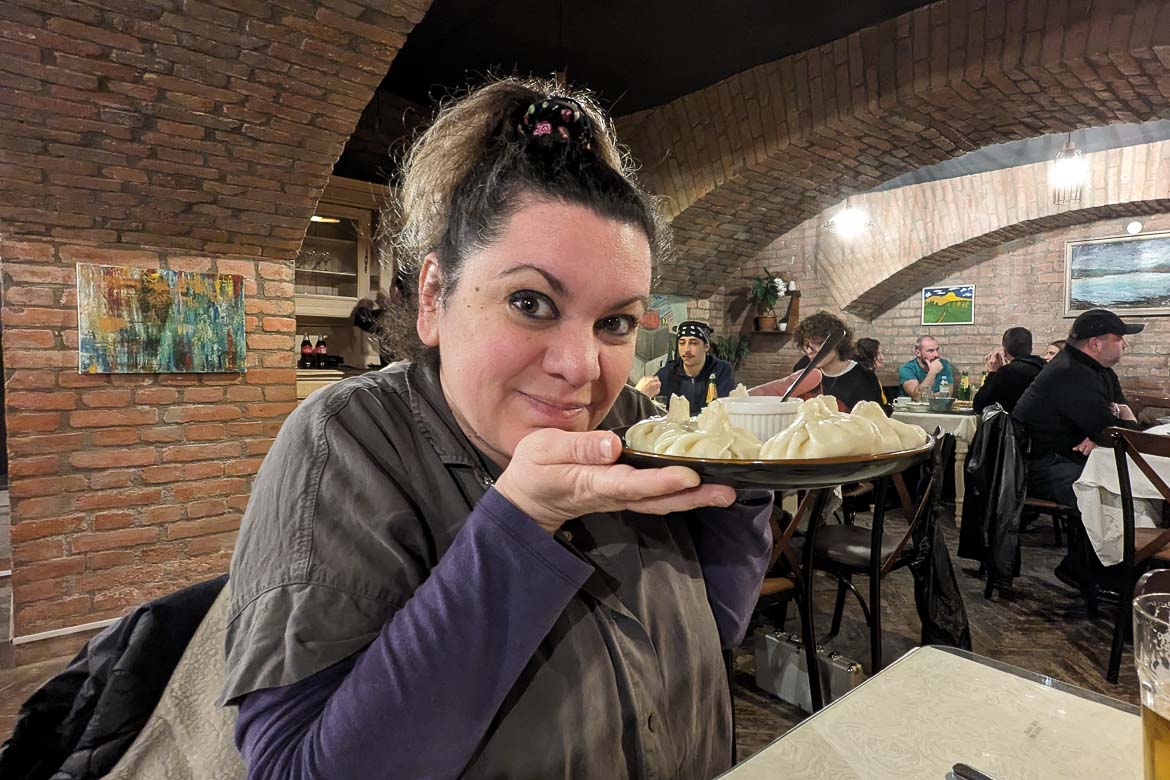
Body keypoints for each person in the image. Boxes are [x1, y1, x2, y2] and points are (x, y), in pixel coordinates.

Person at [221, 79, 772, 780]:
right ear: (432, 296)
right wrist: (524, 518)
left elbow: (712, 635)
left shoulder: (637, 426)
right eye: (529, 302)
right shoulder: (346, 445)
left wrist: (748, 484)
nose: (581, 368)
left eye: (616, 322)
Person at [1013, 309, 1143, 590]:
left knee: (1129, 488)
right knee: (1117, 496)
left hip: (1069, 458)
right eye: (1119, 338)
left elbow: (1115, 422)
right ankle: (1091, 573)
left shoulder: (1097, 371)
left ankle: (1103, 568)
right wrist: (1107, 431)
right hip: (1040, 467)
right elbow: (1119, 430)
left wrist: (1102, 434)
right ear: (1095, 344)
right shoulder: (1071, 372)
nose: (1125, 344)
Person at [635, 320, 735, 415]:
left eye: (693, 343)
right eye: (682, 343)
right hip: (674, 430)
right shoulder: (668, 373)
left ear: (706, 346)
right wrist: (640, 395)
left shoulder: (721, 370)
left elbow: (723, 410)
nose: (686, 349)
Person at [794, 311, 883, 411]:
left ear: (838, 343)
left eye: (818, 344)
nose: (809, 351)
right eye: (806, 345)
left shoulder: (864, 378)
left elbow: (874, 420)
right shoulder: (803, 367)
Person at [972, 327, 1045, 414]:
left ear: (1005, 351)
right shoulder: (1045, 367)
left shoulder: (1007, 372)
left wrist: (992, 373)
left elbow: (979, 405)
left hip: (1016, 425)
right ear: (1030, 349)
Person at [852, 337, 888, 404]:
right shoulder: (865, 379)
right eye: (877, 354)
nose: (882, 357)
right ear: (868, 355)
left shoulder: (871, 377)